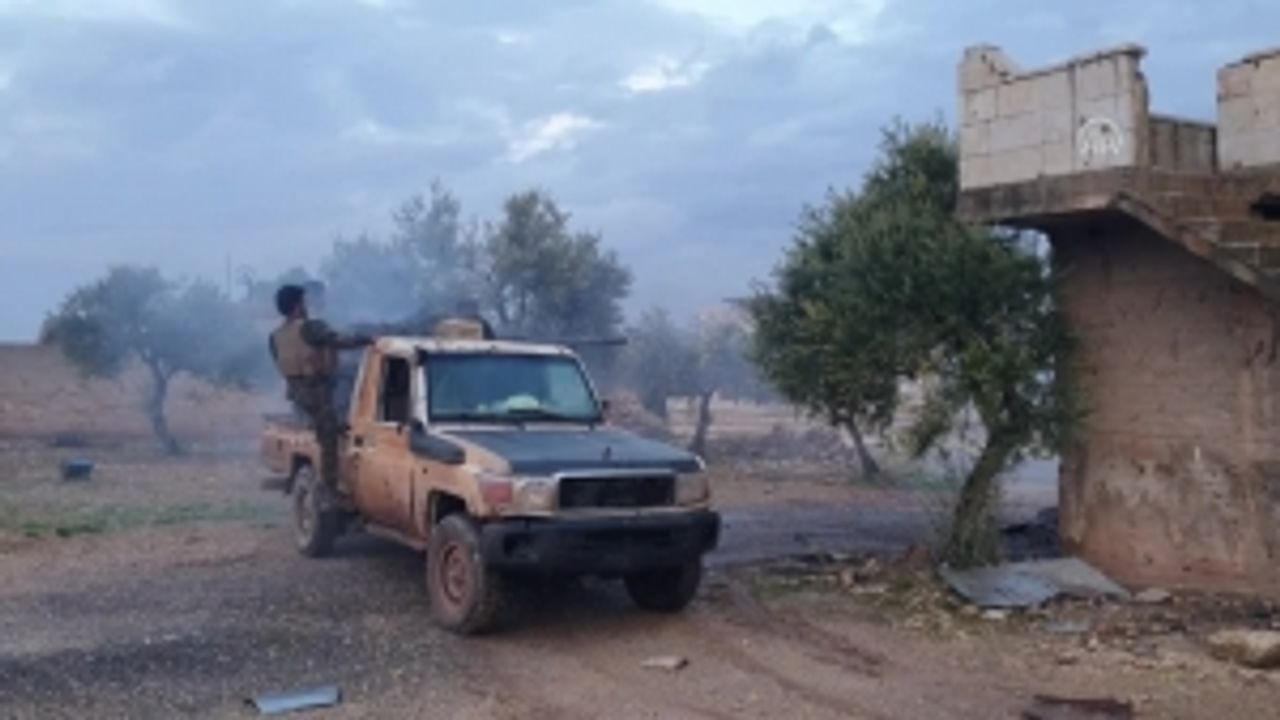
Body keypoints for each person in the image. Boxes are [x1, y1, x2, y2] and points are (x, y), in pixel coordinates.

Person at [269, 283, 372, 505]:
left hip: (296, 392)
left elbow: (282, 362)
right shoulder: (310, 328)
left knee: (328, 419)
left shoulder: (275, 336)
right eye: (303, 302)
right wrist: (367, 340)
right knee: (329, 436)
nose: (306, 306)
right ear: (297, 306)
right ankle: (329, 491)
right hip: (316, 391)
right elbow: (339, 340)